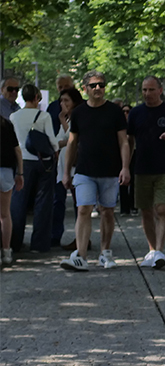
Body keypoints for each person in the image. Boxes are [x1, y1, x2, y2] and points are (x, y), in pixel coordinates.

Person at [61, 71, 131, 271]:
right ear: (85, 89)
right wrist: (66, 172)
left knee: (107, 211)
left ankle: (105, 252)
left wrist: (125, 167)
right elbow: (73, 143)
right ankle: (81, 256)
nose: (98, 88)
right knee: (83, 209)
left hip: (110, 170)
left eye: (101, 84)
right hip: (84, 170)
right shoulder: (80, 112)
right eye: (93, 85)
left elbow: (123, 142)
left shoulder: (114, 112)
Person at [126, 75, 165, 269]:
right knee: (145, 211)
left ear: (160, 90)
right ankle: (152, 250)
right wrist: (125, 167)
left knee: (161, 208)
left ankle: (160, 251)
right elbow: (129, 142)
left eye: (151, 90)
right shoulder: (136, 113)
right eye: (144, 90)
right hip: (141, 168)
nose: (147, 94)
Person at [9, 84, 59, 253]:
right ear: (37, 97)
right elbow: (52, 141)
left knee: (18, 202)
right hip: (43, 162)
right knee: (43, 203)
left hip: (22, 162)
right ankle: (40, 244)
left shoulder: (14, 117)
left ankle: (14, 242)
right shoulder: (44, 116)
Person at [52, 87, 85, 248]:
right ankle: (57, 236)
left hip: (75, 165)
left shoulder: (78, 118)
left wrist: (63, 123)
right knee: (59, 201)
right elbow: (57, 141)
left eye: (66, 100)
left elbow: (74, 139)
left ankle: (82, 238)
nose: (63, 104)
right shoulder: (65, 119)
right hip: (63, 165)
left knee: (79, 202)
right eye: (61, 101)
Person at [1, 115, 24, 267]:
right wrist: (20, 173)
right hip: (6, 172)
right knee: (4, 214)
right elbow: (17, 150)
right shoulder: (6, 124)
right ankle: (7, 250)